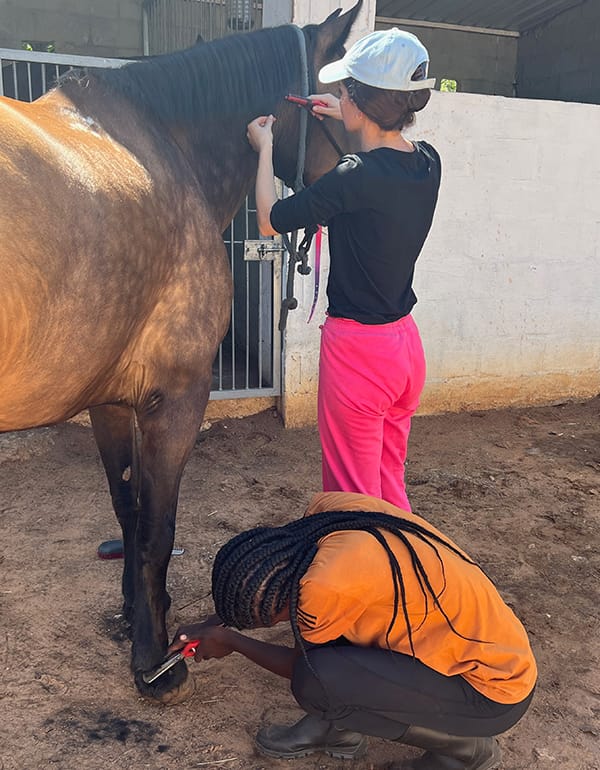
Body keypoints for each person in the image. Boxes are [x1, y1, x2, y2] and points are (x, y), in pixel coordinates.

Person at [169, 492, 537, 770]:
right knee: (329, 653)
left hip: (491, 694)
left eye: (271, 619)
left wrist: (232, 641)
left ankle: (465, 749)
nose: (278, 623)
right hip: (490, 649)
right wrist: (217, 622)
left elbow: (304, 667)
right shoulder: (327, 515)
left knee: (317, 682)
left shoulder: (322, 589)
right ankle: (336, 730)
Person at [246, 28, 442, 512]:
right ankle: (404, 572)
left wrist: (264, 147)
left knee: (352, 496)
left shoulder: (354, 175)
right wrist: (348, 110)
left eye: (344, 90)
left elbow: (271, 222)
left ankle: (368, 583)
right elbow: (383, 145)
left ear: (360, 100)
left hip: (359, 353)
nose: (337, 95)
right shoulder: (428, 162)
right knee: (387, 481)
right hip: (404, 348)